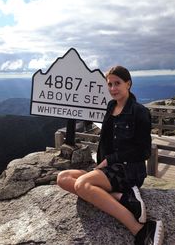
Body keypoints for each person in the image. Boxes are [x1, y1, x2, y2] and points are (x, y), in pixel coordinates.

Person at [57, 66, 164, 245]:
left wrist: (110, 160)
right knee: (63, 178)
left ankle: (142, 230)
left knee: (82, 184)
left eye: (117, 83)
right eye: (110, 84)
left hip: (129, 170)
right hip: (109, 169)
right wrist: (100, 166)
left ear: (128, 84)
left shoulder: (139, 112)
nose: (113, 88)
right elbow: (106, 141)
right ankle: (124, 198)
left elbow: (144, 151)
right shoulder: (111, 106)